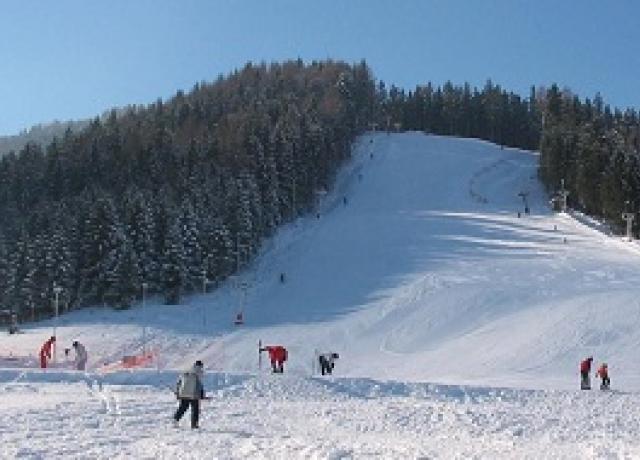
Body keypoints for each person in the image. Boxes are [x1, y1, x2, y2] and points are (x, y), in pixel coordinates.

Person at [174, 360, 205, 429]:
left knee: (183, 407)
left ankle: (175, 419)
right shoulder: (199, 372)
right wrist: (202, 394)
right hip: (193, 394)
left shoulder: (186, 371)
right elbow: (199, 385)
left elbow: (179, 382)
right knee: (195, 409)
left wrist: (177, 392)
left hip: (183, 393)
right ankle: (194, 424)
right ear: (200, 366)